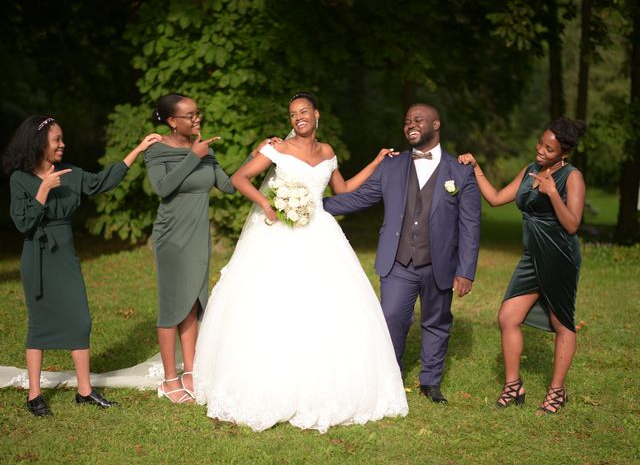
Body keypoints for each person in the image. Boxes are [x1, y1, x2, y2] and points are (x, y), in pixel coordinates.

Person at [193, 92, 408, 432]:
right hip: (279, 232)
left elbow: (344, 188)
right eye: (293, 114)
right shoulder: (278, 148)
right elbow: (239, 179)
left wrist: (378, 161)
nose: (298, 118)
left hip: (320, 231)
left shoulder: (327, 152)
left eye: (304, 112)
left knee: (328, 304)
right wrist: (266, 205)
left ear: (316, 114)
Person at [3, 115, 160, 416]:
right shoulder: (19, 179)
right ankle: (34, 395)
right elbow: (24, 223)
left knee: (80, 319)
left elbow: (103, 181)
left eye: (62, 139)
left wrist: (138, 149)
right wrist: (44, 188)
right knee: (39, 322)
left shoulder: (71, 173)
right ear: (39, 144)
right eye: (56, 140)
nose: (63, 144)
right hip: (37, 254)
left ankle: (84, 391)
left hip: (65, 254)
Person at [324, 103, 481, 404]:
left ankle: (430, 383)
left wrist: (466, 270)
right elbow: (359, 198)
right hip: (398, 260)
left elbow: (471, 225)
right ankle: (389, 377)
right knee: (392, 317)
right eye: (407, 120)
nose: (410, 124)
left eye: (418, 120)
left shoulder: (460, 172)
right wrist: (313, 205)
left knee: (436, 321)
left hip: (440, 262)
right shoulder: (392, 166)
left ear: (436, 125)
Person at [458, 118, 586, 414]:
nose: (541, 150)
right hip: (532, 256)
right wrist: (476, 168)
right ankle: (514, 386)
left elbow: (572, 224)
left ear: (563, 153)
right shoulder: (530, 170)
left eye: (549, 149)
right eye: (540, 143)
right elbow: (495, 198)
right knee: (507, 316)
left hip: (559, 258)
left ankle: (556, 393)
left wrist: (553, 193)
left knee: (562, 322)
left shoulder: (572, 177)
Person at [144, 93, 236, 404]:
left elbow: (227, 185)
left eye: (198, 113)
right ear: (172, 121)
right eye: (190, 115)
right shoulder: (157, 151)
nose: (197, 119)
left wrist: (260, 157)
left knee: (193, 304)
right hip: (171, 237)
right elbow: (163, 188)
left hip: (198, 238)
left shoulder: (204, 150)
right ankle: (170, 380)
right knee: (173, 305)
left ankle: (191, 372)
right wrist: (193, 156)